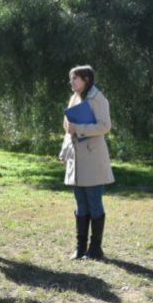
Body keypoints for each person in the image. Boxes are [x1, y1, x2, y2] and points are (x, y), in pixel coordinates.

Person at [59, 65, 114, 260]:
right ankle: (80, 247)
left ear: (87, 80)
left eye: (75, 78)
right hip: (76, 159)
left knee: (94, 203)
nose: (72, 82)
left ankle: (96, 249)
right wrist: (64, 151)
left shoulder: (98, 99)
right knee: (80, 204)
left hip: (92, 158)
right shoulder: (74, 98)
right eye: (71, 78)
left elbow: (105, 126)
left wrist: (79, 128)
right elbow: (68, 129)